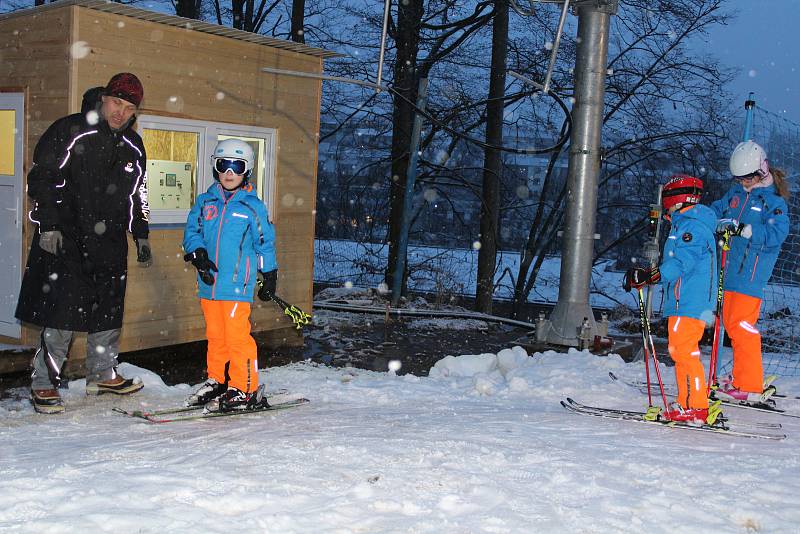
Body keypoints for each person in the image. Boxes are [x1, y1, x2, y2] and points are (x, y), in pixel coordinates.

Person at [16, 73, 153, 414]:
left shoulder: (134, 146)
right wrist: (47, 225)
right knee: (63, 313)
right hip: (68, 238)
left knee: (108, 311)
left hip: (110, 242)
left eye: (129, 108)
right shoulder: (70, 130)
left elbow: (139, 194)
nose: (121, 113)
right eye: (117, 103)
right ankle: (45, 384)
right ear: (104, 98)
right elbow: (42, 179)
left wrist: (142, 232)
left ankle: (102, 375)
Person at [182, 138, 278, 412]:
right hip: (209, 284)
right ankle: (219, 380)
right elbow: (192, 232)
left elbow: (264, 243)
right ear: (215, 167)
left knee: (237, 338)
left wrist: (269, 274)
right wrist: (198, 253)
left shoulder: (252, 206)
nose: (230, 173)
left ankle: (245, 388)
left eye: (237, 166)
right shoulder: (204, 202)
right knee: (215, 335)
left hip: (238, 284)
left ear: (246, 170)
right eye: (224, 165)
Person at [624, 175, 721, 424]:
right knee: (680, 352)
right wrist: (650, 275)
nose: (665, 207)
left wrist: (652, 276)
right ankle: (687, 403)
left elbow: (682, 263)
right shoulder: (685, 225)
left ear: (675, 199)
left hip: (689, 302)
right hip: (684, 301)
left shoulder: (692, 228)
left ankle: (697, 406)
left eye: (666, 200)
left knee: (685, 353)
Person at [710, 140, 790, 403]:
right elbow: (717, 210)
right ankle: (740, 377)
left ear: (762, 170)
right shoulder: (735, 194)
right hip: (729, 271)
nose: (743, 182)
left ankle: (750, 384)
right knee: (733, 327)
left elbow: (778, 233)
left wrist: (747, 230)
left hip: (750, 275)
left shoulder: (773, 202)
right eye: (739, 178)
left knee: (742, 327)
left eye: (748, 178)